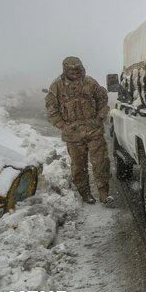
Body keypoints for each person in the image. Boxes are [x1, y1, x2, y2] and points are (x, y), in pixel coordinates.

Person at [45, 56, 114, 206]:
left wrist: (99, 118)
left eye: (77, 72)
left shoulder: (91, 82)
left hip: (94, 131)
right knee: (78, 167)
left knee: (101, 164)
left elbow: (103, 101)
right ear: (65, 71)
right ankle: (86, 194)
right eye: (71, 72)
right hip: (73, 134)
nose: (75, 75)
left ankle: (104, 194)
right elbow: (52, 110)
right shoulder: (57, 86)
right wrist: (63, 125)